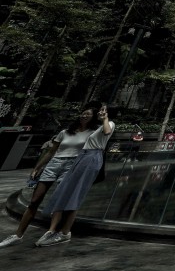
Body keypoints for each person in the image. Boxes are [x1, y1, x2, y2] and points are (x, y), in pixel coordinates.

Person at [0, 107, 98, 248]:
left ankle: (52, 232)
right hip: (54, 164)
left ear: (93, 118)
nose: (84, 116)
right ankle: (17, 235)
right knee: (34, 201)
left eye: (88, 114)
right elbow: (51, 151)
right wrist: (38, 167)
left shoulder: (93, 133)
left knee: (60, 200)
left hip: (72, 165)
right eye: (83, 113)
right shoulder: (64, 132)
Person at [35, 103, 115, 246]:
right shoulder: (94, 128)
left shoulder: (109, 124)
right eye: (101, 109)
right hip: (82, 157)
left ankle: (65, 232)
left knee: (76, 193)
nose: (101, 112)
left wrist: (105, 118)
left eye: (104, 110)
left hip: (92, 157)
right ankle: (52, 230)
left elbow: (108, 132)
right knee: (64, 190)